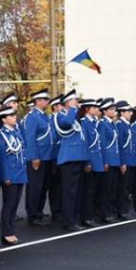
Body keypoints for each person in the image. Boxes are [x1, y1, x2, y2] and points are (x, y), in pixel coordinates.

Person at [54, 90, 88, 232]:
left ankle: (73, 219)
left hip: (78, 158)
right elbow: (66, 125)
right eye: (74, 100)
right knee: (69, 192)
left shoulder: (74, 117)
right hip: (68, 159)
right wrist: (73, 109)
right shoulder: (61, 116)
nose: (76, 103)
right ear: (67, 103)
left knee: (76, 192)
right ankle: (68, 221)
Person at [22, 89, 53, 226]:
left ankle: (39, 212)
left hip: (47, 157)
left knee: (43, 187)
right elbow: (30, 138)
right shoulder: (33, 117)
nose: (47, 102)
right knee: (35, 187)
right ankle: (33, 215)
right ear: (38, 101)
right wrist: (34, 157)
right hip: (38, 157)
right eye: (45, 100)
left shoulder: (44, 116)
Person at [0, 105, 26, 245]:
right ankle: (6, 233)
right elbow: (2, 158)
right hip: (10, 174)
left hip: (19, 173)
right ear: (3, 119)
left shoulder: (16, 133)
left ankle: (11, 230)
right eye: (11, 115)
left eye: (15, 115)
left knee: (14, 204)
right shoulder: (1, 135)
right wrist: (5, 176)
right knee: (8, 204)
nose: (15, 117)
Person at [98, 98, 123, 223]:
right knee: (106, 189)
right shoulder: (103, 124)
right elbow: (102, 143)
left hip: (115, 160)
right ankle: (105, 213)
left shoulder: (112, 124)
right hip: (108, 159)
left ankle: (110, 211)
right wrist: (105, 161)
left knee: (112, 188)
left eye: (114, 109)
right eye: (111, 109)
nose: (114, 111)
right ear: (104, 111)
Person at [79, 99, 103, 227]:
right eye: (93, 107)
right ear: (87, 109)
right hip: (90, 160)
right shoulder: (84, 123)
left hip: (97, 160)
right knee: (87, 191)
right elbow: (85, 143)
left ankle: (90, 215)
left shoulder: (94, 123)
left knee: (92, 190)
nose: (96, 109)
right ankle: (86, 217)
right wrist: (87, 162)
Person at [115, 101, 136, 220]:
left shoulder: (128, 125)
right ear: (122, 112)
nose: (130, 113)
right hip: (125, 160)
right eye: (128, 111)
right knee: (123, 188)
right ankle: (122, 211)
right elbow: (120, 145)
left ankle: (125, 210)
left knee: (127, 187)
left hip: (130, 160)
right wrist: (122, 162)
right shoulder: (119, 125)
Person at [47, 96, 63, 223]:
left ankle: (61, 209)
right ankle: (56, 211)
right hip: (54, 156)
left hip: (62, 156)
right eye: (60, 105)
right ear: (56, 107)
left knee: (62, 185)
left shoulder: (60, 119)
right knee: (55, 186)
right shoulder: (51, 120)